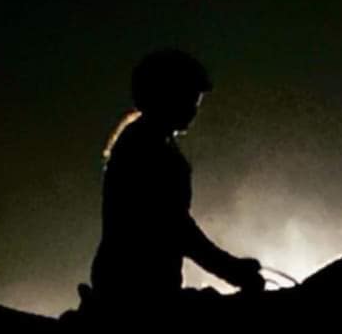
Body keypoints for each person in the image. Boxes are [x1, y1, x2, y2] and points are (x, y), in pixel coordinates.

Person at [89, 50, 264, 312]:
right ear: (167, 95)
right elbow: (174, 226)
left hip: (138, 285)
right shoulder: (147, 148)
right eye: (190, 98)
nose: (194, 108)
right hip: (140, 293)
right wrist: (232, 269)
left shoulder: (144, 141)